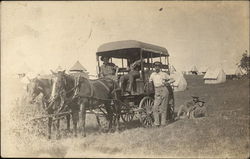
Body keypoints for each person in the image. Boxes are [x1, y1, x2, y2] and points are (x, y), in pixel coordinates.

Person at [149, 61, 173, 127]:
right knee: (155, 108)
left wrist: (167, 83)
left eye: (158, 66)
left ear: (160, 67)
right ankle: (156, 123)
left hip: (164, 89)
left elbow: (172, 79)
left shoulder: (164, 74)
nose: (156, 68)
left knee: (163, 108)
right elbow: (150, 82)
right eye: (155, 66)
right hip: (157, 91)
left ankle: (163, 123)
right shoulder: (152, 75)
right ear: (154, 67)